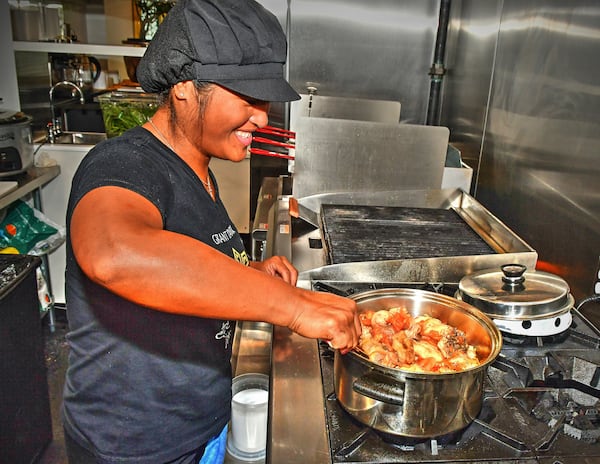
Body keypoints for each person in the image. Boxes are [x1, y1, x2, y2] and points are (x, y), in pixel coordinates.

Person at [61, 1, 361, 463]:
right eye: (247, 97)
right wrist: (294, 308)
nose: (262, 117)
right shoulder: (124, 164)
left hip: (199, 427)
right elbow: (114, 252)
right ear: (184, 87)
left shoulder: (197, 169)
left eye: (264, 100)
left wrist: (250, 272)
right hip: (136, 447)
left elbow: (182, 260)